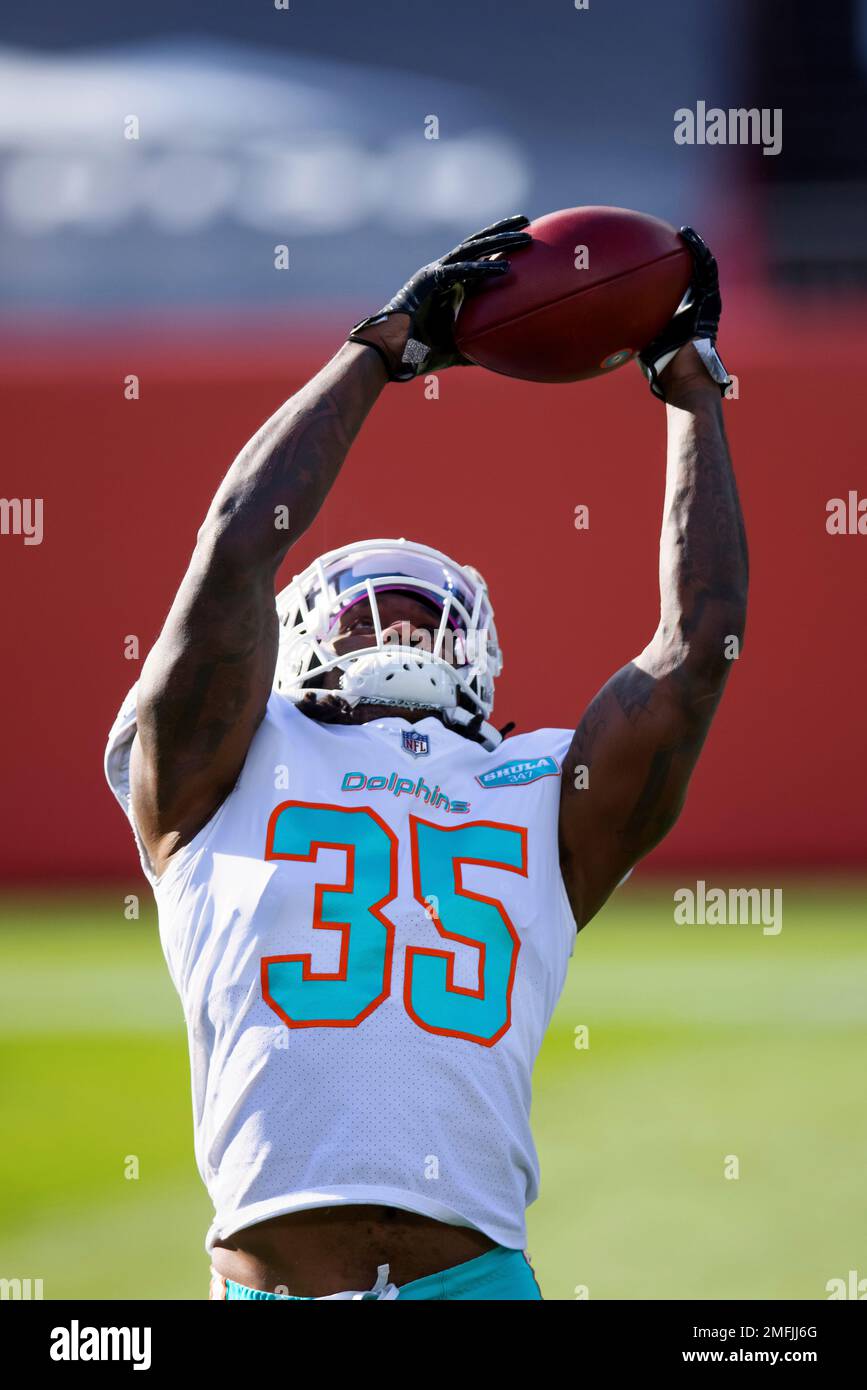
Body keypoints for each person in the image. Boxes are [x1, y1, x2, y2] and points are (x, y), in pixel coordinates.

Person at [105, 217, 748, 1301]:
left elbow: (697, 646)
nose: (402, 639)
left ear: (481, 655)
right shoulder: (215, 769)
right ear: (298, 642)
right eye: (374, 620)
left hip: (477, 1282)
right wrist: (380, 349)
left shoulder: (544, 788)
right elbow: (236, 542)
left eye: (421, 622)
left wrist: (692, 386)